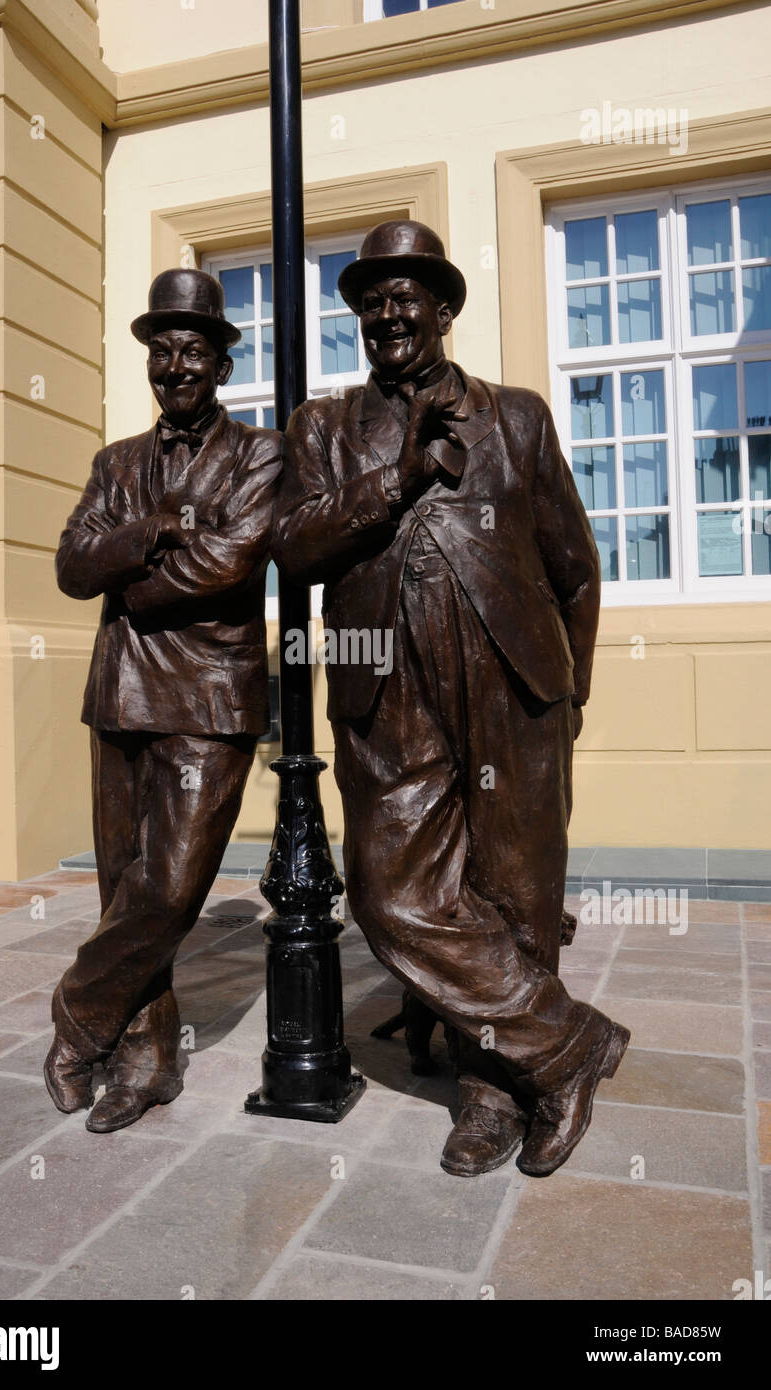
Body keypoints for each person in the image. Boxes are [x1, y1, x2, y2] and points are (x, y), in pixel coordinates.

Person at [272, 221, 628, 1177]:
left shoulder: (514, 417)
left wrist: (570, 692)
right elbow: (296, 550)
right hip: (383, 678)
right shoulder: (323, 427)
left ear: (444, 309)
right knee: (392, 895)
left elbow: (574, 570)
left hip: (510, 678)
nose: (387, 313)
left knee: (516, 889)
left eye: (406, 296)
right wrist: (398, 478)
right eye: (370, 300)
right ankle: (567, 1045)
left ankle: (492, 1092)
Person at [44, 269, 281, 1133]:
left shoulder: (262, 452)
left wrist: (135, 583)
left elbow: (231, 560)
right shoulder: (115, 464)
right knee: (123, 891)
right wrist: (148, 532)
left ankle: (76, 1016)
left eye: (191, 353)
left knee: (170, 889)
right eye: (160, 354)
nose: (174, 369)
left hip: (210, 697)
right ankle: (145, 1058)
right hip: (119, 695)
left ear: (221, 363)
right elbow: (73, 569)